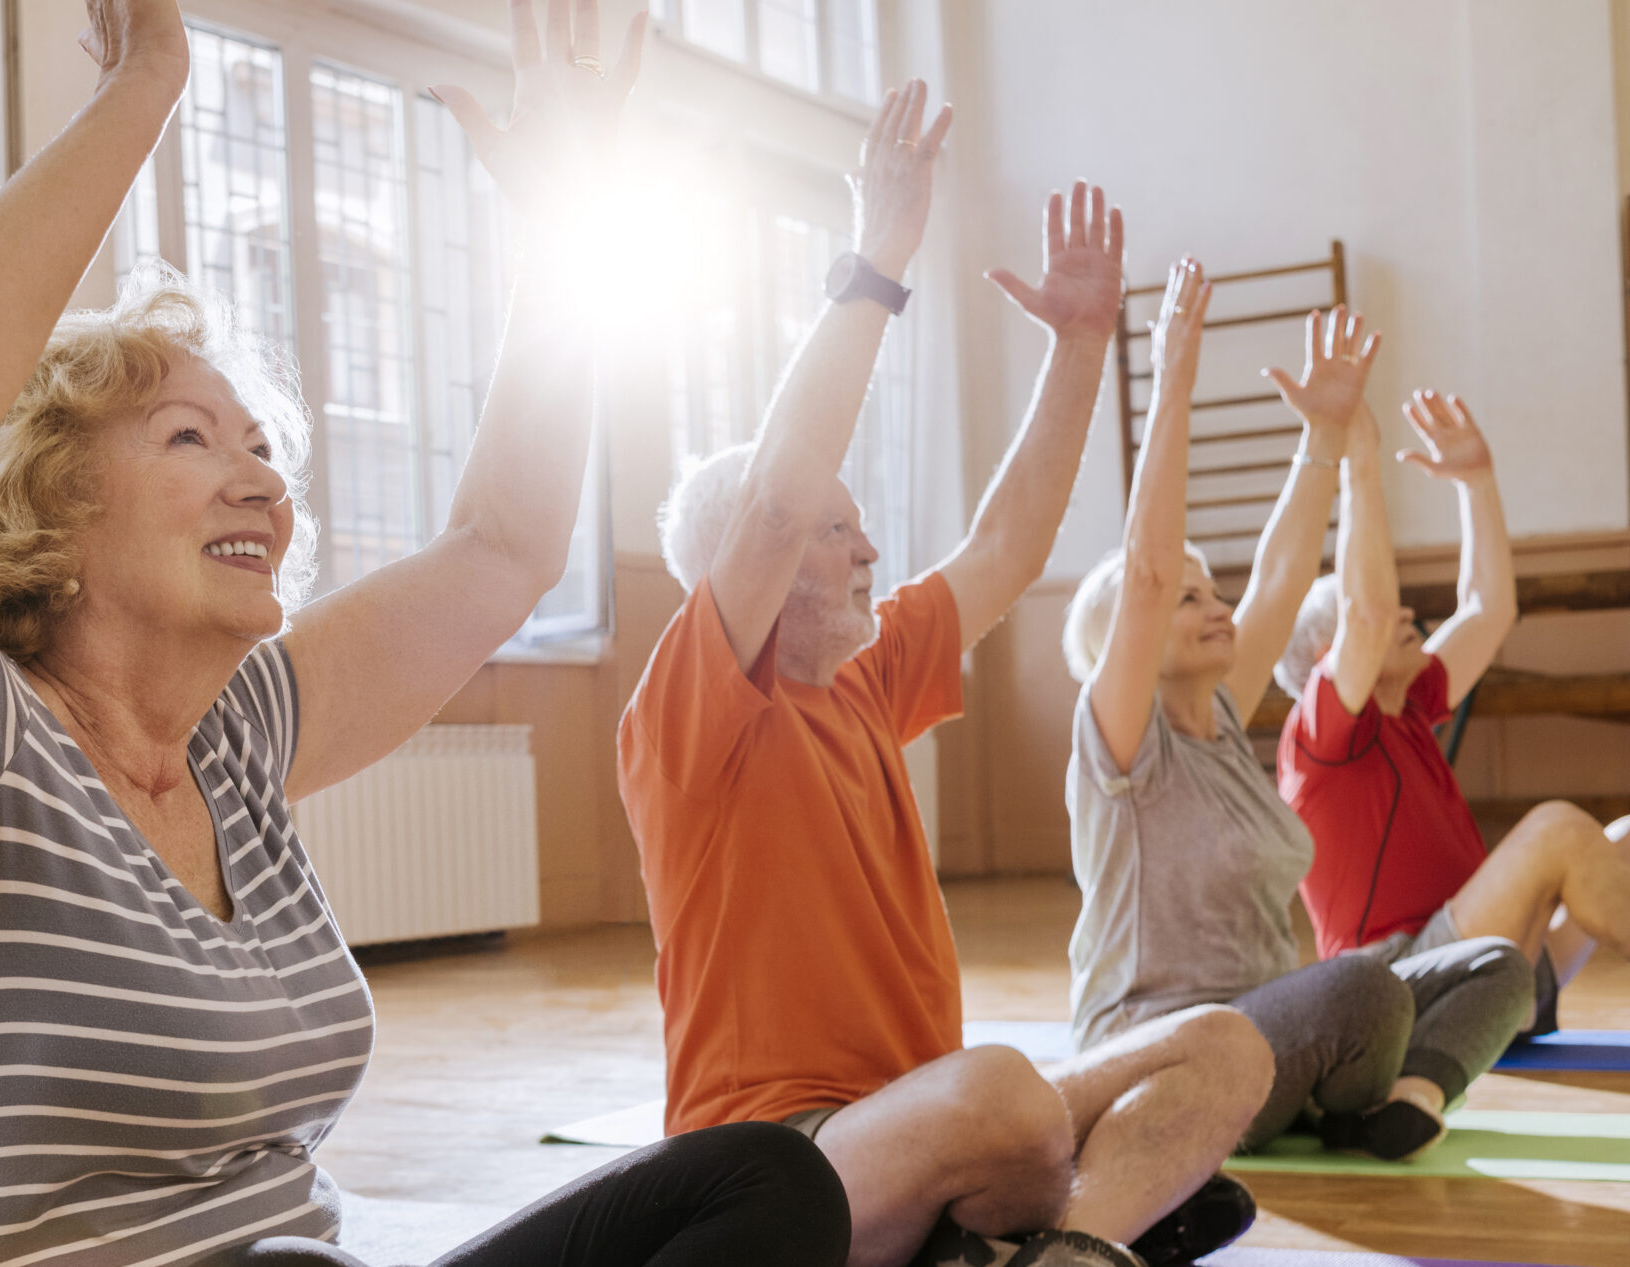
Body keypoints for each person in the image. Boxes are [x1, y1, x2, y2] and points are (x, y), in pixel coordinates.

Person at [0, 1, 851, 1264]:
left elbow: (504, 547)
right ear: (53, 499)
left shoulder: (238, 736)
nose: (259, 482)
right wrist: (146, 81)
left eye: (261, 447)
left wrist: (563, 234)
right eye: (189, 440)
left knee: (759, 1183)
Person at [619, 81, 1270, 1267]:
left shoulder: (868, 677)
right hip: (782, 1164)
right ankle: (1065, 1217)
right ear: (752, 567)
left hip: (929, 1115)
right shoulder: (693, 708)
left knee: (1223, 1045)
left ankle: (1056, 1250)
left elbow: (1008, 545)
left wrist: (1080, 346)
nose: (868, 549)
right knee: (1004, 1102)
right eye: (836, 531)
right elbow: (770, 500)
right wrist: (876, 258)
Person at [1062, 283, 1536, 1165]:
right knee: (1361, 989)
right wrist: (1174, 379)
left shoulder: (1225, 723)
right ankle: (1345, 1090)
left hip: (1275, 1030)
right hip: (1161, 1055)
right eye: (1187, 598)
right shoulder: (1121, 746)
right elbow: (1150, 570)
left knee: (1496, 963)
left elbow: (1280, 576)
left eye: (1214, 591)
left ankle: (1395, 1099)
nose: (1211, 604)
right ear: (1127, 636)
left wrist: (1324, 438)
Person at [1275, 389, 1630, 1039]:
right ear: (1332, 654)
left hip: (1477, 967)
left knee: (1627, 836)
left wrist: (1476, 479)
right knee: (1554, 828)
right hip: (1395, 985)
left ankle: (1511, 1007)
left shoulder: (1408, 705)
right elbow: (1371, 613)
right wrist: (1360, 455)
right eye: (1389, 611)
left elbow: (1488, 608)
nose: (1407, 613)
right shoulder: (1318, 738)